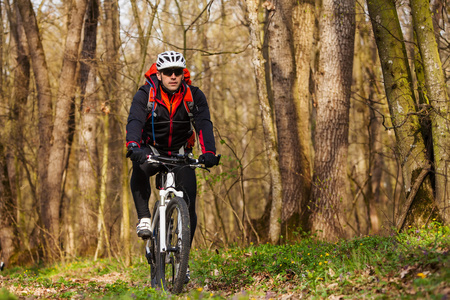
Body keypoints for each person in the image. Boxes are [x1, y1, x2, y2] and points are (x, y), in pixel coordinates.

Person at [125, 51, 219, 279]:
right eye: (168, 72)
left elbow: (204, 124)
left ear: (183, 73)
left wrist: (208, 153)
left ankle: (182, 257)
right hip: (152, 150)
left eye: (178, 72)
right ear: (159, 74)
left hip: (180, 154)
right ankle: (145, 218)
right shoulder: (145, 94)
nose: (173, 76)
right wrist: (133, 145)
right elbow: (135, 120)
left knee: (189, 203)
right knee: (139, 168)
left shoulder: (193, 96)